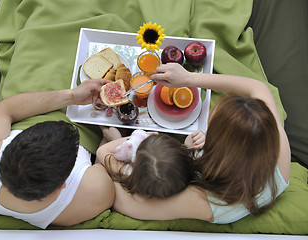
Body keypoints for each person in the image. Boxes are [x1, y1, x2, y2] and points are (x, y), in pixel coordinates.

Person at [109, 63, 291, 224]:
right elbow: (258, 87)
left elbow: (129, 204)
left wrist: (122, 148)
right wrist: (188, 78)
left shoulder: (209, 201)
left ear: (216, 148)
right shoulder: (278, 147)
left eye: (210, 126)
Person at [0, 78, 115, 229]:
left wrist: (72, 95)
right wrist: (111, 139)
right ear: (62, 185)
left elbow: (5, 109)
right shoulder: (95, 193)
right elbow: (103, 155)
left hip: (48, 103)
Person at [96, 126, 205, 199]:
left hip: (114, 165)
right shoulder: (185, 171)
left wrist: (137, 137)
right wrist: (190, 146)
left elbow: (102, 151)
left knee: (110, 134)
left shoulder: (130, 173)